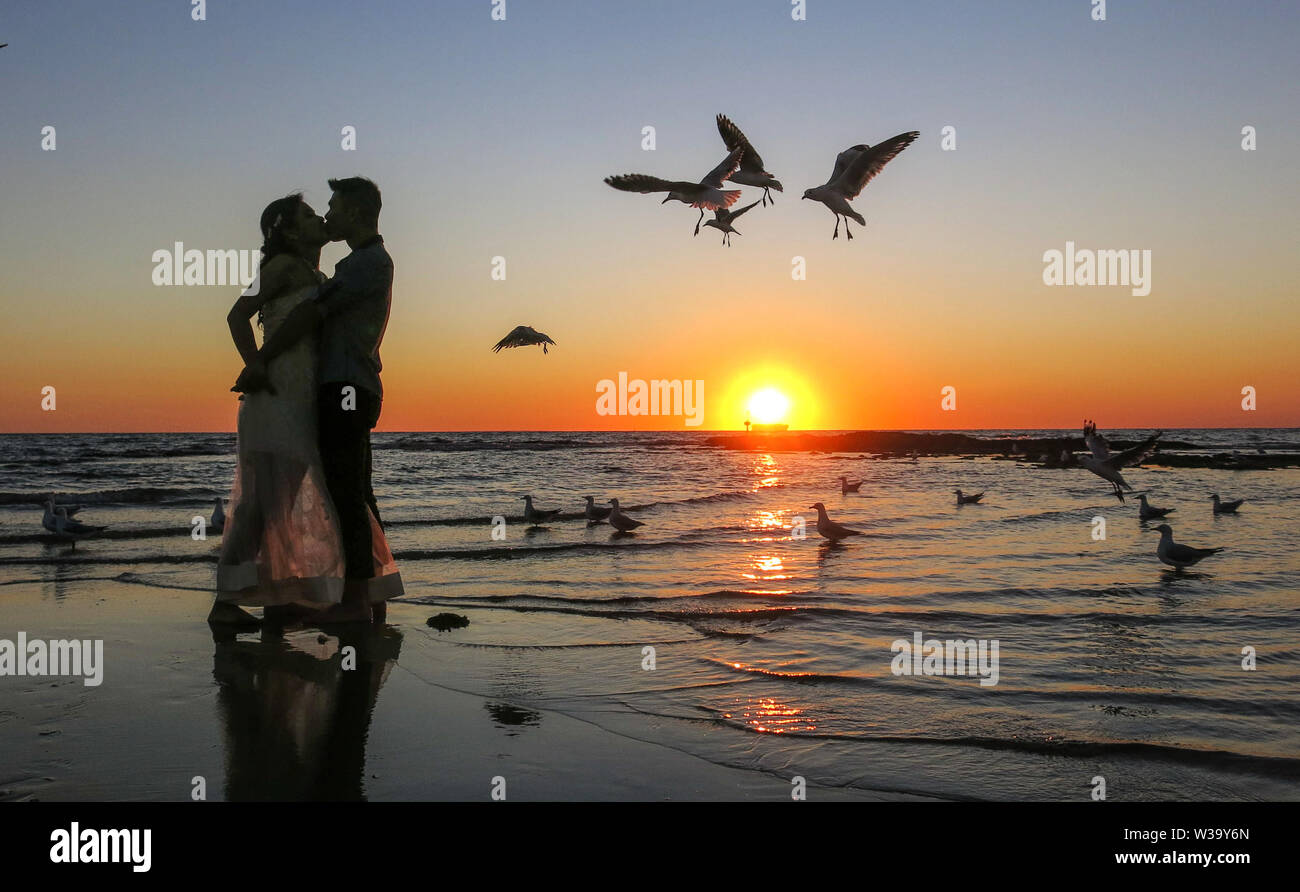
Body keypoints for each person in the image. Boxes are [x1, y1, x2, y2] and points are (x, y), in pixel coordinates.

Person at [232, 177, 401, 623]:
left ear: (356, 214)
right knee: (338, 493)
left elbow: (311, 314)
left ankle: (356, 601)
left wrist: (259, 360)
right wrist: (259, 364)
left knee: (344, 493)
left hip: (342, 389)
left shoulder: (359, 265)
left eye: (332, 208)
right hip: (317, 390)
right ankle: (361, 596)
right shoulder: (326, 267)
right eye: (315, 212)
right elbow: (250, 313)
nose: (326, 216)